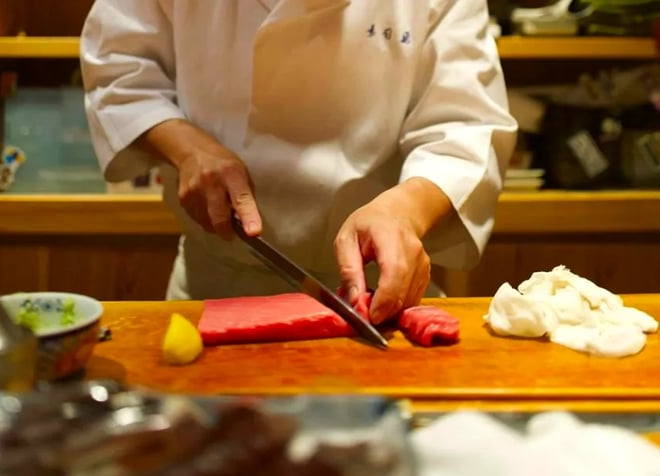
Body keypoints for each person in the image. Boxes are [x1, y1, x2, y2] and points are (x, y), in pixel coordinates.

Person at [80, 0, 517, 324]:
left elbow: (466, 124)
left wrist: (404, 212)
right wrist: (187, 146)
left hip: (375, 296)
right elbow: (118, 68)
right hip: (213, 290)